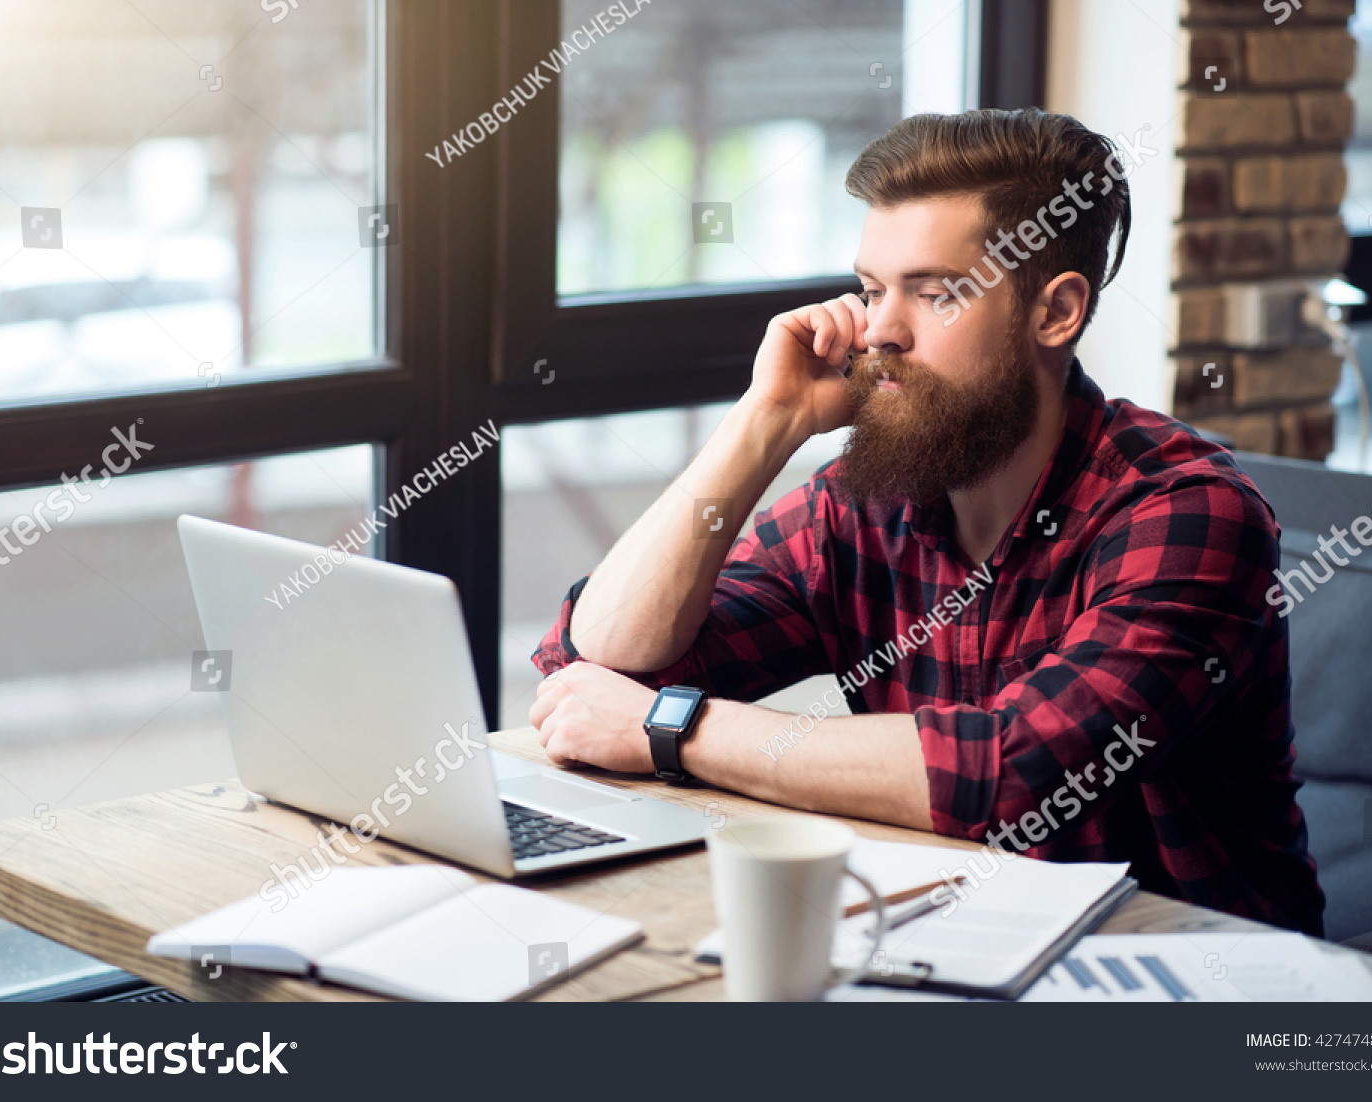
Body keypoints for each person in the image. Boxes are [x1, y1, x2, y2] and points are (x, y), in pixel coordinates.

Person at [529, 108, 1325, 935]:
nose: (878, 334)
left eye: (935, 292)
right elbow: (601, 661)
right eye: (872, 290)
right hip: (946, 944)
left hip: (1185, 977)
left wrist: (677, 731)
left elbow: (1017, 772)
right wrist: (765, 420)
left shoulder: (1187, 512)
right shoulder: (868, 500)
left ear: (1055, 312)